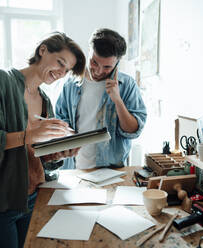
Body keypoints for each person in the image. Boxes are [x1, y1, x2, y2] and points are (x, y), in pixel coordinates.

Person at [0, 32, 86, 248]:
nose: (61, 73)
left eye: (67, 70)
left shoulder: (45, 100)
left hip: (31, 200)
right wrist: (31, 134)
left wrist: (57, 153)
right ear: (43, 50)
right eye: (60, 63)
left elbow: (33, 154)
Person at [55, 28, 147, 169]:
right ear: (89, 52)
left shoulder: (127, 85)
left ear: (117, 63)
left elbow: (133, 131)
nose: (98, 71)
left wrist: (117, 100)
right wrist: (68, 134)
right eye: (94, 62)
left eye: (107, 67)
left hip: (111, 170)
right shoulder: (70, 83)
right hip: (74, 167)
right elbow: (60, 119)